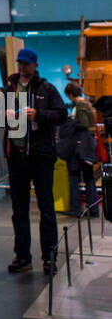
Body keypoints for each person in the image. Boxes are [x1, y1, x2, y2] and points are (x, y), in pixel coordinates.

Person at [1, 47, 67, 276]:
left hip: (41, 156)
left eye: (27, 64)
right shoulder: (9, 89)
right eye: (20, 63)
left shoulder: (47, 89)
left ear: (35, 65)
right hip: (17, 155)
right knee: (19, 210)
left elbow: (61, 115)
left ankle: (49, 256)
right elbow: (1, 120)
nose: (22, 67)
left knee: (46, 207)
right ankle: (22, 256)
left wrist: (38, 114)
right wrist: (3, 112)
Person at [60, 82, 99, 218]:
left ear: (70, 94)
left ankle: (75, 207)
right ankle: (94, 209)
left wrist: (69, 124)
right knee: (89, 179)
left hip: (80, 147)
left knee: (74, 177)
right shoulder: (87, 104)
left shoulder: (80, 105)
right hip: (88, 146)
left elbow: (83, 123)